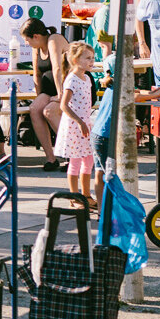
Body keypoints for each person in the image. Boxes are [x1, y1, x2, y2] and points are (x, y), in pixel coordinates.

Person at [22, 17, 72, 172]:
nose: (26, 43)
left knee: (49, 111)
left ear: (36, 36)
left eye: (27, 39)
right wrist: (39, 96)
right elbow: (36, 74)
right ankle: (51, 158)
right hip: (49, 89)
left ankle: (73, 155)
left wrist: (60, 95)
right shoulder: (36, 48)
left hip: (69, 87)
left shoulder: (53, 40)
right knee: (34, 109)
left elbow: (57, 68)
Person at [56, 44, 99, 204]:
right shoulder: (72, 79)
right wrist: (79, 121)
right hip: (75, 126)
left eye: (92, 58)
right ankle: (75, 197)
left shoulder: (87, 78)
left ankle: (86, 195)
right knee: (75, 161)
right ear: (75, 60)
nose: (91, 61)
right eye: (87, 58)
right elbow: (64, 105)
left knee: (88, 159)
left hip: (85, 124)